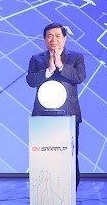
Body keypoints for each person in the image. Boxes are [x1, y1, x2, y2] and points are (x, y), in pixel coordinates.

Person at [26, 23, 86, 186]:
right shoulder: (36, 58)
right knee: (44, 155)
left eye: (58, 36)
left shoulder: (76, 57)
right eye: (49, 36)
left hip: (68, 113)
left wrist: (60, 66)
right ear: (45, 39)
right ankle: (44, 189)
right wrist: (49, 71)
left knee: (69, 154)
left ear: (65, 39)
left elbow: (79, 77)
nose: (53, 39)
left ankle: (71, 190)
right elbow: (31, 81)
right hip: (43, 114)